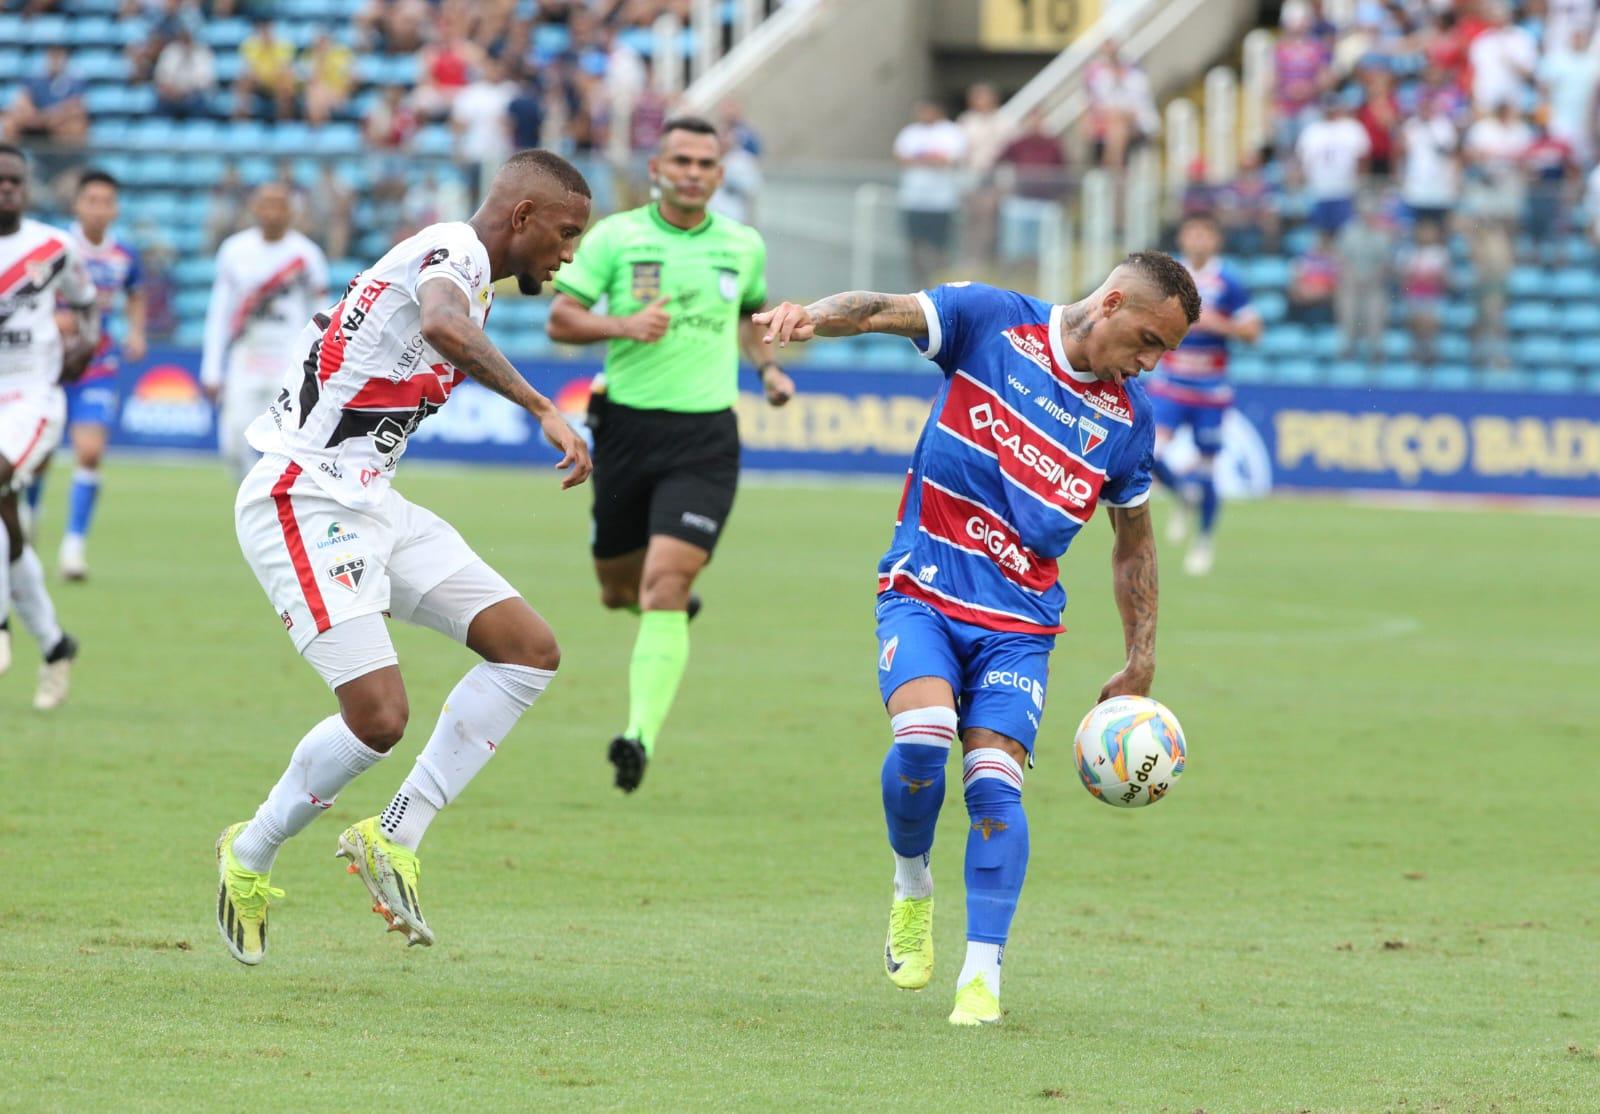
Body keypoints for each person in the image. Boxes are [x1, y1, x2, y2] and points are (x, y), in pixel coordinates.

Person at [752, 252, 1198, 1026]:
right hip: (924, 587)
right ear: (1115, 301)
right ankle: (912, 884)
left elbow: (1134, 543)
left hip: (1020, 627)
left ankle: (982, 977)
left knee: (994, 784)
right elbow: (880, 309)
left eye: (1166, 351)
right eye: (1151, 339)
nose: (1152, 361)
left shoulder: (1129, 420)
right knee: (923, 740)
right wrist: (810, 317)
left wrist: (1142, 655)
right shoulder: (994, 320)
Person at [214, 149, 595, 967]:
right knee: (380, 719)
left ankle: (396, 834)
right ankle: (249, 854)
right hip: (303, 497)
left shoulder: (473, 277)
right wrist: (541, 408)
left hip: (372, 502)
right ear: (522, 217)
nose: (569, 254)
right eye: (565, 234)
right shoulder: (452, 250)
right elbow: (442, 327)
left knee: (528, 652)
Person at [546, 115, 793, 793]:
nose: (692, 172)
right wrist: (622, 324)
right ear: (656, 170)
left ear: (719, 175)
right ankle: (662, 615)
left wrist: (768, 369)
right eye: (680, 160)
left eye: (705, 164)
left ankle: (637, 737)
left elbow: (750, 314)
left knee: (666, 584)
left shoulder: (742, 245)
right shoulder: (618, 239)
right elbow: (560, 317)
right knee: (616, 591)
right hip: (626, 433)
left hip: (705, 441)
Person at [0, 145, 98, 710]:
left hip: (31, 398)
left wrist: (83, 345)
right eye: (0, 181)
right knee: (5, 521)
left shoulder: (52, 248)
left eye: (15, 180)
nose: (7, 189)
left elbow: (87, 302)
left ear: (27, 187)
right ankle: (57, 645)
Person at [1146, 214, 1260, 576]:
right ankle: (1182, 493)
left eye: (1204, 235)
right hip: (1172, 386)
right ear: (1182, 237)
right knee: (1149, 453)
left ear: (1215, 241)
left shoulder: (1229, 281)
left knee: (1210, 470)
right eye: (1191, 234)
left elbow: (1253, 332)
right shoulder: (1169, 277)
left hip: (1211, 391)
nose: (1197, 241)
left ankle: (1204, 541)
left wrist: (1219, 324)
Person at [46, 171, 145, 581]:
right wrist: (54, 318)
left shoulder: (125, 254)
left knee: (89, 451)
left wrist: (136, 331)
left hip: (98, 361)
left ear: (115, 208)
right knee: (39, 455)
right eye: (92, 200)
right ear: (77, 204)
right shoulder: (56, 248)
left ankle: (73, 547)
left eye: (107, 201)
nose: (99, 208)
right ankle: (28, 528)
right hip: (48, 361)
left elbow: (135, 294)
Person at [200, 184, 330, 479]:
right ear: (254, 208)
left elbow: (322, 314)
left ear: (291, 211)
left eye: (279, 205)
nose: (272, 213)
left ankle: (275, 509)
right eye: (266, 205)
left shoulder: (307, 255)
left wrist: (317, 368)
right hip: (246, 355)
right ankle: (255, 499)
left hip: (289, 359)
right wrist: (212, 368)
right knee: (233, 441)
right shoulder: (234, 250)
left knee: (290, 444)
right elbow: (220, 312)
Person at [894, 101, 968, 288]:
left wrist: (923, 158)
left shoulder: (950, 132)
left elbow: (949, 159)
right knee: (915, 243)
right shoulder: (910, 132)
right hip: (914, 199)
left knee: (940, 245)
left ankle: (940, 282)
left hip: (941, 200)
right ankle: (918, 283)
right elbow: (902, 157)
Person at [1296, 93, 1370, 235]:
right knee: (1318, 232)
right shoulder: (1312, 130)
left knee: (1345, 233)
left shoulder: (1352, 128)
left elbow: (1363, 157)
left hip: (1345, 190)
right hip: (1318, 190)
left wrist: (1358, 181)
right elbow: (1302, 159)